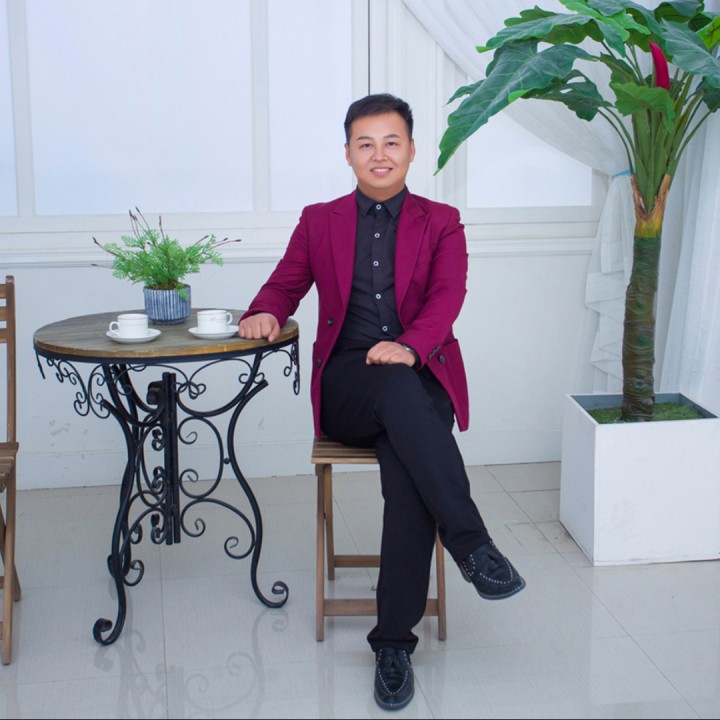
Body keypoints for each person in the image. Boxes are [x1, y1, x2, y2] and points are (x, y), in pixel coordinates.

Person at [239, 93, 525, 712]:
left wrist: (410, 347)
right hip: (349, 385)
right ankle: (473, 545)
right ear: (347, 153)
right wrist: (264, 311)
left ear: (411, 151)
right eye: (365, 143)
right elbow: (285, 283)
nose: (379, 154)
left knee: (408, 475)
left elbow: (447, 299)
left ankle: (393, 645)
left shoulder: (442, 221)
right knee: (396, 393)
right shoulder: (319, 220)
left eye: (391, 142)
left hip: (418, 378)